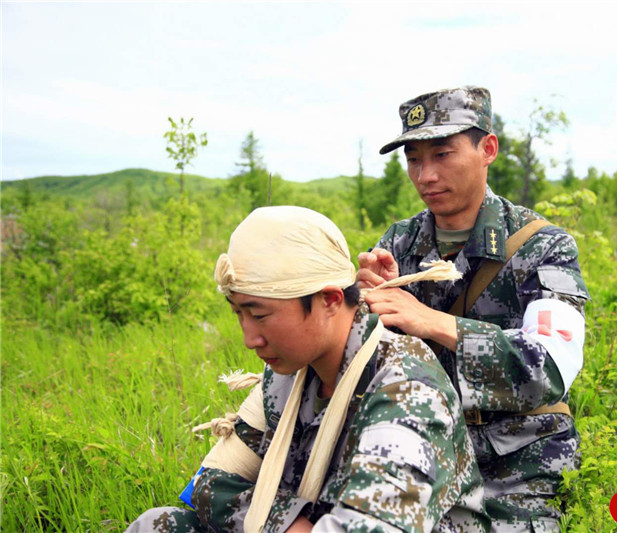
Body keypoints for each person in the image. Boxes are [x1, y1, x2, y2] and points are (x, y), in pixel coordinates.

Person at [126, 206, 489, 533]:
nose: (249, 339)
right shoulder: (288, 375)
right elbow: (209, 482)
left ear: (330, 300)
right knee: (159, 524)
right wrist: (286, 523)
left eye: (260, 314)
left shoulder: (407, 389)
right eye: (238, 313)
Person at [357, 87, 590, 533]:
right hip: (418, 442)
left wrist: (434, 323)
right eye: (413, 160)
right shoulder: (398, 243)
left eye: (442, 154)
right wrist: (365, 304)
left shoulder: (543, 246)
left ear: (488, 149)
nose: (426, 175)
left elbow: (551, 370)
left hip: (514, 460)